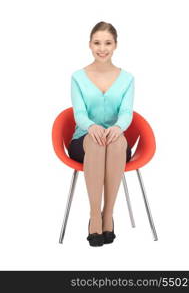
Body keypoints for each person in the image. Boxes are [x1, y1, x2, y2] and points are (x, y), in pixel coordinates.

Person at [67, 21, 135, 247]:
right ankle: (95, 215)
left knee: (114, 143)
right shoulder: (78, 77)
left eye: (107, 43)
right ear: (89, 45)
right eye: (97, 42)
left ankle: (109, 215)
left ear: (115, 45)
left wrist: (117, 128)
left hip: (116, 140)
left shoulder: (127, 79)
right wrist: (91, 127)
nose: (102, 48)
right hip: (84, 141)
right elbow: (79, 113)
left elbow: (126, 112)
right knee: (96, 143)